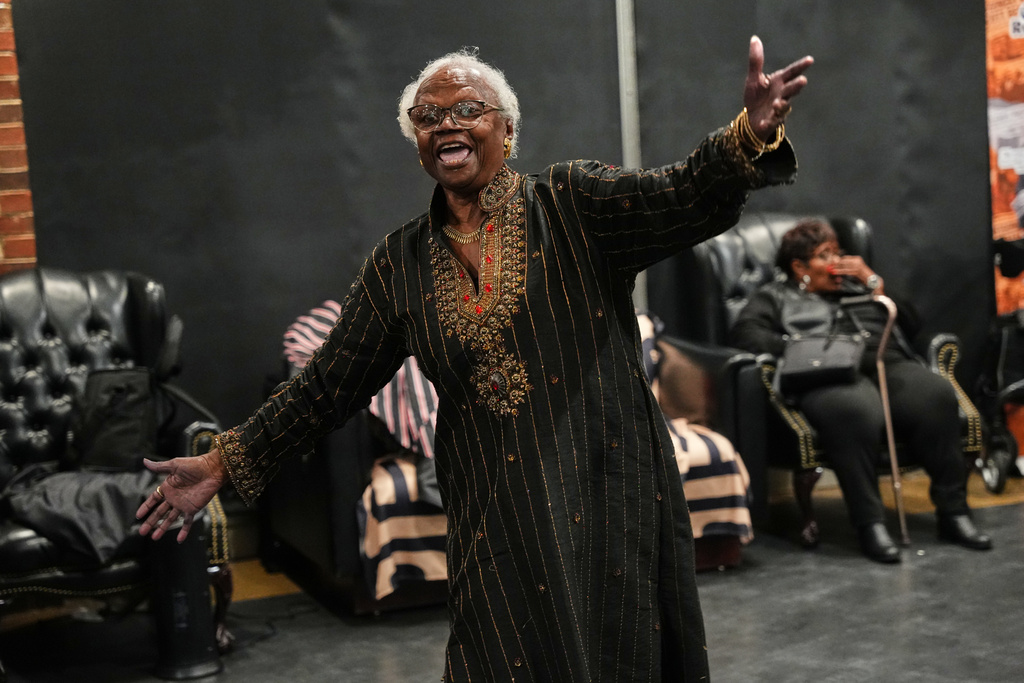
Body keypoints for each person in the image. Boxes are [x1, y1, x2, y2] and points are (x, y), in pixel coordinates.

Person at [137, 38, 813, 681]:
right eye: (427, 117)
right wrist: (224, 460)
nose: (445, 124)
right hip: (495, 513)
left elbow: (680, 195)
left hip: (610, 493)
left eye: (467, 109)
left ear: (508, 131)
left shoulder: (574, 203)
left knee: (621, 652)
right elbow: (325, 387)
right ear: (418, 145)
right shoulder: (396, 266)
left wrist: (748, 135)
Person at [729, 218, 993, 564]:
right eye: (825, 255)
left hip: (887, 363)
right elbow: (746, 334)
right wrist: (799, 347)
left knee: (936, 396)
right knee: (856, 411)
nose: (837, 262)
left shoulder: (862, 288)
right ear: (799, 266)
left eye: (839, 252)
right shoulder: (775, 297)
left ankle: (953, 513)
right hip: (829, 375)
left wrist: (873, 281)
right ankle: (870, 524)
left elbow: (913, 324)